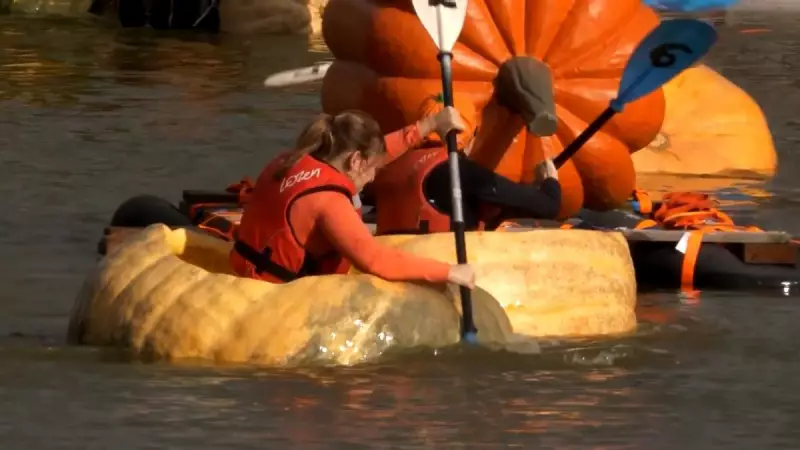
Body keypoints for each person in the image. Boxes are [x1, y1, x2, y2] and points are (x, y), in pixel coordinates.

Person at [229, 108, 477, 288]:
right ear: (356, 160)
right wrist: (450, 272)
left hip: (244, 272)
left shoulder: (289, 160)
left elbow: (380, 151)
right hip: (278, 293)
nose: (373, 177)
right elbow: (376, 261)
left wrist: (430, 124)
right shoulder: (329, 202)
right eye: (373, 169)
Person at [371, 95, 562, 235]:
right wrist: (550, 182)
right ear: (470, 135)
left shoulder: (389, 167)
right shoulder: (460, 172)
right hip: (444, 269)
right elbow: (547, 206)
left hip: (391, 267)